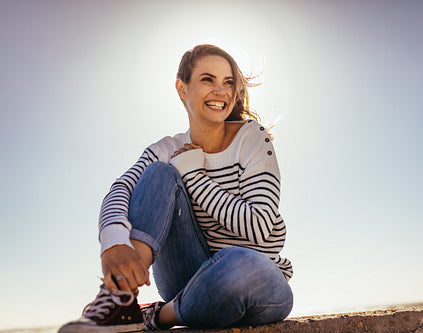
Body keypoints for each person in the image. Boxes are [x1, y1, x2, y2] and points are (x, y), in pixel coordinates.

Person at [59, 44, 293, 332]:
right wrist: (114, 242)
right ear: (183, 88)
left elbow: (258, 226)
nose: (221, 91)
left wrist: (193, 174)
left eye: (228, 82)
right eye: (208, 79)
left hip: (255, 282)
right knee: (159, 172)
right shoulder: (167, 149)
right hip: (186, 275)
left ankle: (158, 316)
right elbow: (122, 188)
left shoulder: (251, 137)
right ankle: (122, 300)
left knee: (240, 263)